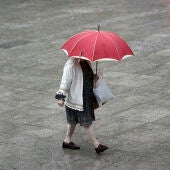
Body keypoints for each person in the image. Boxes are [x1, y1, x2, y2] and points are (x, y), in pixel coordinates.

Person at [55, 57, 108, 153]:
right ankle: (97, 145)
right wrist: (61, 97)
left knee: (72, 121)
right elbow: (65, 80)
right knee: (86, 122)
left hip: (86, 97)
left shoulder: (87, 62)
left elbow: (85, 78)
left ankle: (67, 141)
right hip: (76, 99)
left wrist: (94, 78)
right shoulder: (71, 64)